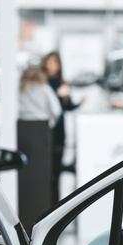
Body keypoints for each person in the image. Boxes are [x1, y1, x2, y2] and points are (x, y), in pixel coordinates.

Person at [41, 51, 82, 200]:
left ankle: (55, 203)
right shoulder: (42, 84)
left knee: (57, 168)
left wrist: (77, 103)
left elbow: (68, 106)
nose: (52, 66)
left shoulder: (62, 83)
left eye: (55, 63)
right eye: (50, 62)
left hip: (59, 130)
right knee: (47, 169)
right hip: (44, 130)